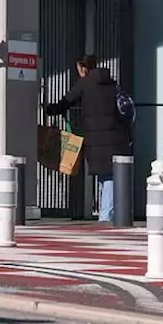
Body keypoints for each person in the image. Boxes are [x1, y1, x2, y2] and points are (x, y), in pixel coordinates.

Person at [44, 55, 131, 223]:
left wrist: (49, 109)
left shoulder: (85, 84)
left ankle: (106, 216)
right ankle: (108, 212)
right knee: (109, 175)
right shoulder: (112, 85)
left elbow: (66, 102)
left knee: (106, 176)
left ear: (83, 68)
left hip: (95, 139)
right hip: (117, 136)